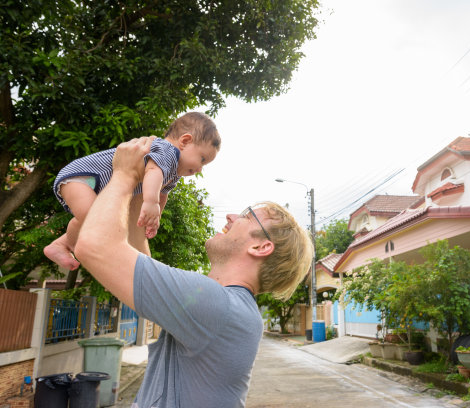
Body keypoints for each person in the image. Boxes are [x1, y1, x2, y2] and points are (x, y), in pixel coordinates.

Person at [73, 136, 314, 407]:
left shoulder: (217, 305)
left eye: (247, 216)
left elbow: (95, 247)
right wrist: (142, 197)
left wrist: (124, 173)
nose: (231, 217)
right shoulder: (225, 307)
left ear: (261, 246)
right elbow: (137, 265)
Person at [44, 112, 220, 271]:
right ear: (185, 141)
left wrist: (155, 216)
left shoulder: (173, 173)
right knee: (96, 219)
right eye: (202, 159)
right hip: (83, 176)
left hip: (97, 185)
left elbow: (162, 193)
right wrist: (150, 203)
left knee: (93, 218)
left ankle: (63, 243)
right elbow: (153, 171)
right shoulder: (168, 152)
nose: (200, 168)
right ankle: (67, 243)